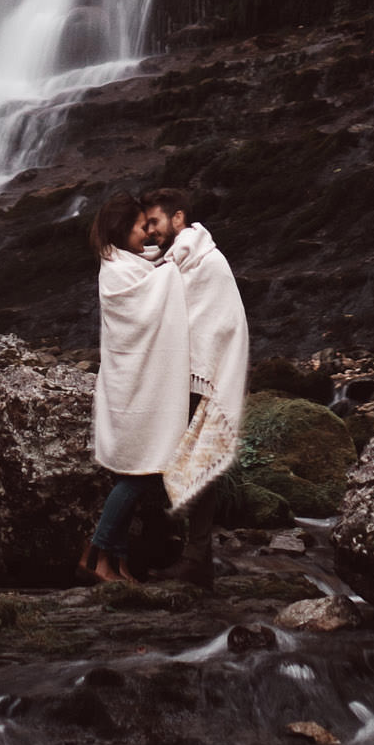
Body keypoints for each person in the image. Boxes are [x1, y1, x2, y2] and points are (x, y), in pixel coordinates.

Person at [144, 186, 249, 588]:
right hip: (192, 373)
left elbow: (213, 323)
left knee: (197, 463)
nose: (151, 231)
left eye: (155, 222)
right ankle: (188, 552)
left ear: (179, 219)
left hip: (203, 374)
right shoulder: (180, 259)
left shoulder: (200, 260)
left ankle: (195, 557)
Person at [82, 192, 189, 583]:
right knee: (138, 474)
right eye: (141, 227)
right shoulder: (116, 270)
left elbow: (156, 274)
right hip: (132, 391)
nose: (147, 234)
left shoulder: (129, 263)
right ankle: (94, 556)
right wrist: (180, 261)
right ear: (120, 229)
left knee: (133, 471)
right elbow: (150, 297)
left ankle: (119, 561)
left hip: (135, 388)